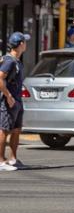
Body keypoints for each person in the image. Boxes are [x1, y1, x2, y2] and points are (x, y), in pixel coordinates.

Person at [0, 32, 29, 171]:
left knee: (16, 130)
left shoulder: (17, 61)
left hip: (17, 100)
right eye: (25, 42)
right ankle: (0, 161)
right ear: (21, 44)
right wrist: (8, 96)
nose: (26, 44)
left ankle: (12, 159)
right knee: (4, 130)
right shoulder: (9, 61)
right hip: (9, 100)